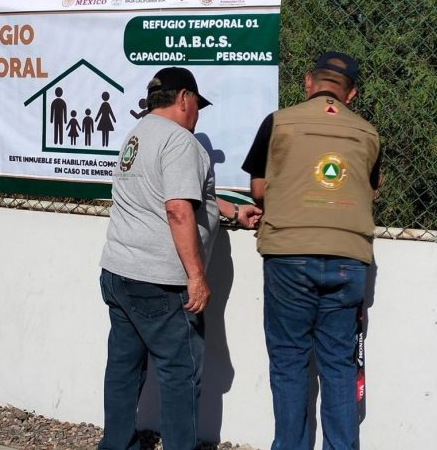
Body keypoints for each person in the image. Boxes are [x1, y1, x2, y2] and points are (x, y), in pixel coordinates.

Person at [99, 67, 261, 450]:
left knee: (124, 369)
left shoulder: (137, 136)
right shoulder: (181, 142)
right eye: (197, 105)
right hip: (162, 281)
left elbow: (186, 196)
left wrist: (232, 212)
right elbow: (177, 209)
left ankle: (116, 445)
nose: (197, 114)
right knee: (180, 373)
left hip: (120, 272)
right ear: (184, 98)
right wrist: (196, 276)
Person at [242, 51, 381, 450]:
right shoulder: (368, 133)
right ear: (350, 94)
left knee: (289, 363)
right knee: (338, 365)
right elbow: (370, 188)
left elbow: (258, 189)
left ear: (308, 83)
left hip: (289, 252)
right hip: (348, 257)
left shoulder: (278, 122)